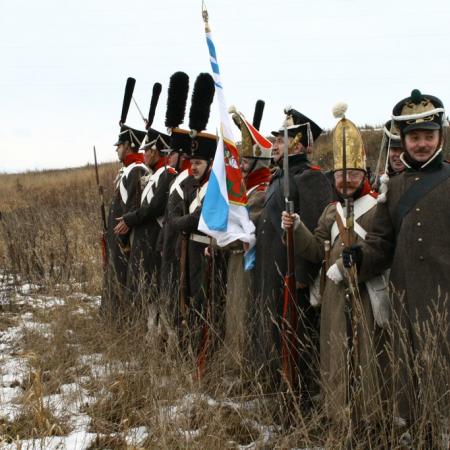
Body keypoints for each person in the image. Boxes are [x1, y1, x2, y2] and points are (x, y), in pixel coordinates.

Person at [343, 89, 450, 428]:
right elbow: (381, 244)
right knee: (414, 385)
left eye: (428, 136)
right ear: (403, 141)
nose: (422, 144)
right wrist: (358, 258)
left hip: (446, 301)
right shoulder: (395, 188)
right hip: (406, 303)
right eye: (414, 137)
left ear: (440, 137)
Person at [282, 103, 389, 424]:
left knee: (367, 357)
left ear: (363, 174)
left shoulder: (376, 208)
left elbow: (381, 251)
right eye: (341, 175)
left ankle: (369, 419)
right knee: (334, 355)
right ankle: (337, 416)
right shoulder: (330, 212)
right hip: (331, 297)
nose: (346, 180)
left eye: (353, 174)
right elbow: (316, 250)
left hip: (366, 296)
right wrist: (296, 228)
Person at [253, 107, 333, 394]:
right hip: (272, 271)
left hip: (293, 278)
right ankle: (278, 391)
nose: (273, 145)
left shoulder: (309, 177)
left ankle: (301, 400)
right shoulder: (281, 176)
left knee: (297, 341)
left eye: (280, 141)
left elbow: (315, 232)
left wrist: (302, 275)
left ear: (297, 144)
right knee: (276, 336)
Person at [221, 102, 273, 375]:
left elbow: (244, 232)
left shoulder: (261, 191)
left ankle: (243, 370)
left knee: (243, 313)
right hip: (236, 261)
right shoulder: (246, 188)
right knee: (234, 312)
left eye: (244, 160)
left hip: (248, 263)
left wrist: (220, 239)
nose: (239, 165)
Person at [114, 107, 176, 324]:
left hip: (154, 239)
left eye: (147, 149)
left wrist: (129, 219)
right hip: (145, 239)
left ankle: (158, 334)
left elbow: (154, 207)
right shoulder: (157, 174)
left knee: (155, 292)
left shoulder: (167, 174)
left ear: (156, 150)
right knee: (148, 291)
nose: (144, 153)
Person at [101, 78, 148, 322]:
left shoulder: (137, 170)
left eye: (119, 145)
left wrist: (121, 232)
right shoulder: (127, 170)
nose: (116, 149)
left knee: (123, 280)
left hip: (126, 239)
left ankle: (121, 322)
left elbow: (134, 208)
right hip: (117, 237)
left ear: (128, 145)